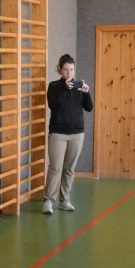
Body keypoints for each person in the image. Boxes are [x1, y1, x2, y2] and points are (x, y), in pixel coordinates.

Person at [43, 54, 93, 214]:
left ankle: (64, 200)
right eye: (66, 70)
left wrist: (86, 93)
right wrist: (65, 88)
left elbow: (89, 108)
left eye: (71, 69)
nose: (69, 73)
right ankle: (49, 201)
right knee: (55, 167)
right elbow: (54, 105)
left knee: (69, 168)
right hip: (58, 133)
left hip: (77, 133)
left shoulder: (79, 87)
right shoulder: (54, 87)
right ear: (60, 70)